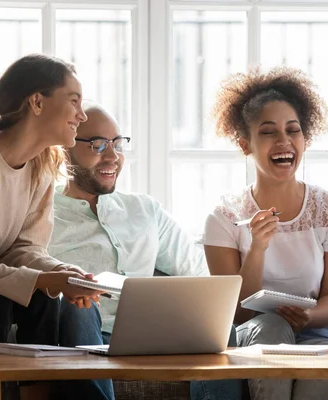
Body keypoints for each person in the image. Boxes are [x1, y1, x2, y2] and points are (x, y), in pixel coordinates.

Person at [48, 102, 241, 400]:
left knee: (220, 325)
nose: (112, 156)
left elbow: (201, 276)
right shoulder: (43, 214)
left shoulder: (144, 209)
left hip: (151, 335)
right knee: (78, 306)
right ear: (65, 150)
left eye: (117, 143)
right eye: (98, 145)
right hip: (85, 336)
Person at [202, 66, 328, 400]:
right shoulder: (224, 217)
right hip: (252, 332)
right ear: (246, 144)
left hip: (319, 330)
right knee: (272, 327)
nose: (284, 141)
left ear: (305, 139)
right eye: (268, 132)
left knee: (322, 361)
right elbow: (236, 312)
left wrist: (310, 316)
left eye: (293, 130)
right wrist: (257, 249)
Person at [0, 54, 100, 397]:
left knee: (46, 298)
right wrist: (43, 278)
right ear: (36, 102)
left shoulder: (43, 163)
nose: (82, 116)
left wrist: (60, 271)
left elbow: (23, 248)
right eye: (74, 101)